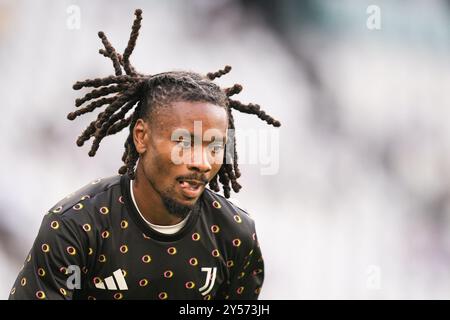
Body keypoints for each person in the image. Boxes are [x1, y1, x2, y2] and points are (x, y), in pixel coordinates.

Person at [9, 9, 280, 300]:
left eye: (214, 147)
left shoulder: (235, 235)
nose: (201, 162)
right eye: (184, 143)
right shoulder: (75, 227)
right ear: (141, 137)